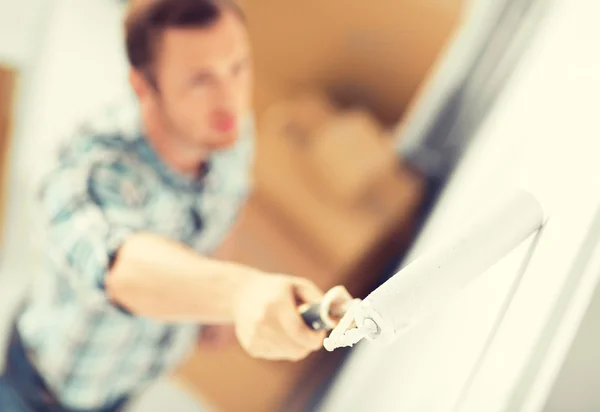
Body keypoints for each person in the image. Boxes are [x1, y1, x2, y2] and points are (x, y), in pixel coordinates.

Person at [0, 0, 346, 410]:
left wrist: (215, 305)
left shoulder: (228, 128)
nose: (230, 95)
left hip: (129, 378)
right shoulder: (85, 168)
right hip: (45, 391)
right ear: (143, 85)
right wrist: (239, 294)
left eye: (238, 66)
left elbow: (228, 201)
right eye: (200, 80)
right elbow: (118, 266)